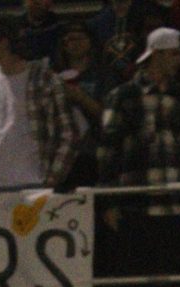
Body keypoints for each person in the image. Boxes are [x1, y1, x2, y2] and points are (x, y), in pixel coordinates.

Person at [95, 25, 180, 287]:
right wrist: (108, 199)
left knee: (179, 274)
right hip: (137, 200)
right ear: (157, 55)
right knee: (137, 275)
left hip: (177, 200)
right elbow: (107, 148)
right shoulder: (123, 95)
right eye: (174, 53)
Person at [0, 12, 76, 191]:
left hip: (30, 180)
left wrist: (53, 178)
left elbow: (68, 133)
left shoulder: (44, 79)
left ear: (3, 42)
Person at [55, 19, 104, 188]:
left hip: (93, 152)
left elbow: (108, 116)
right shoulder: (53, 76)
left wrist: (81, 97)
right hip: (62, 153)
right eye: (69, 39)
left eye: (79, 38)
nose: (74, 43)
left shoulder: (103, 75)